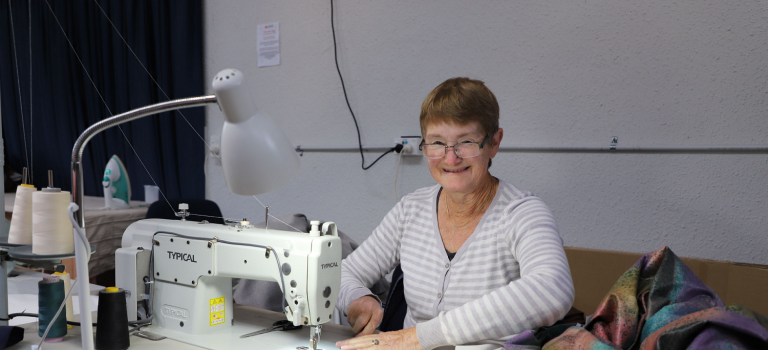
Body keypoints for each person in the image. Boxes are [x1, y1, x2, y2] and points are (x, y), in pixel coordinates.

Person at [335, 77, 575, 350]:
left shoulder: (521, 212)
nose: (450, 158)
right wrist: (358, 299)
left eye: (466, 142)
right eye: (437, 142)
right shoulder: (410, 210)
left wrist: (417, 337)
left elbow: (552, 289)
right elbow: (345, 272)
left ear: (494, 142)